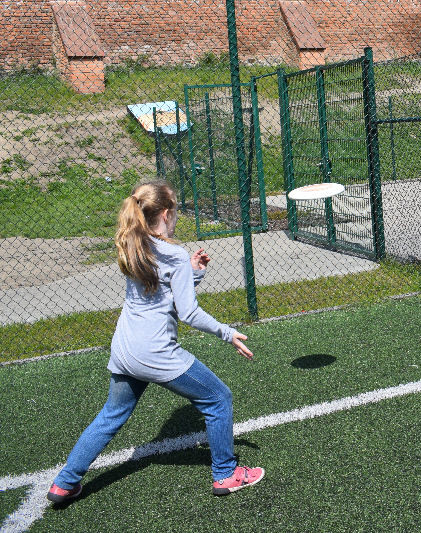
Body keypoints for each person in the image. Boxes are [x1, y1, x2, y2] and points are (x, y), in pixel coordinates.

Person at [47, 180, 263, 503]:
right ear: (165, 214)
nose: (176, 218)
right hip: (156, 352)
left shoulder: (133, 244)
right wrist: (227, 332)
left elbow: (161, 293)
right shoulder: (174, 253)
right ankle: (225, 473)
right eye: (175, 211)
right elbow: (188, 312)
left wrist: (192, 272)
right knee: (218, 399)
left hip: (125, 349)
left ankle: (64, 482)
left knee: (112, 414)